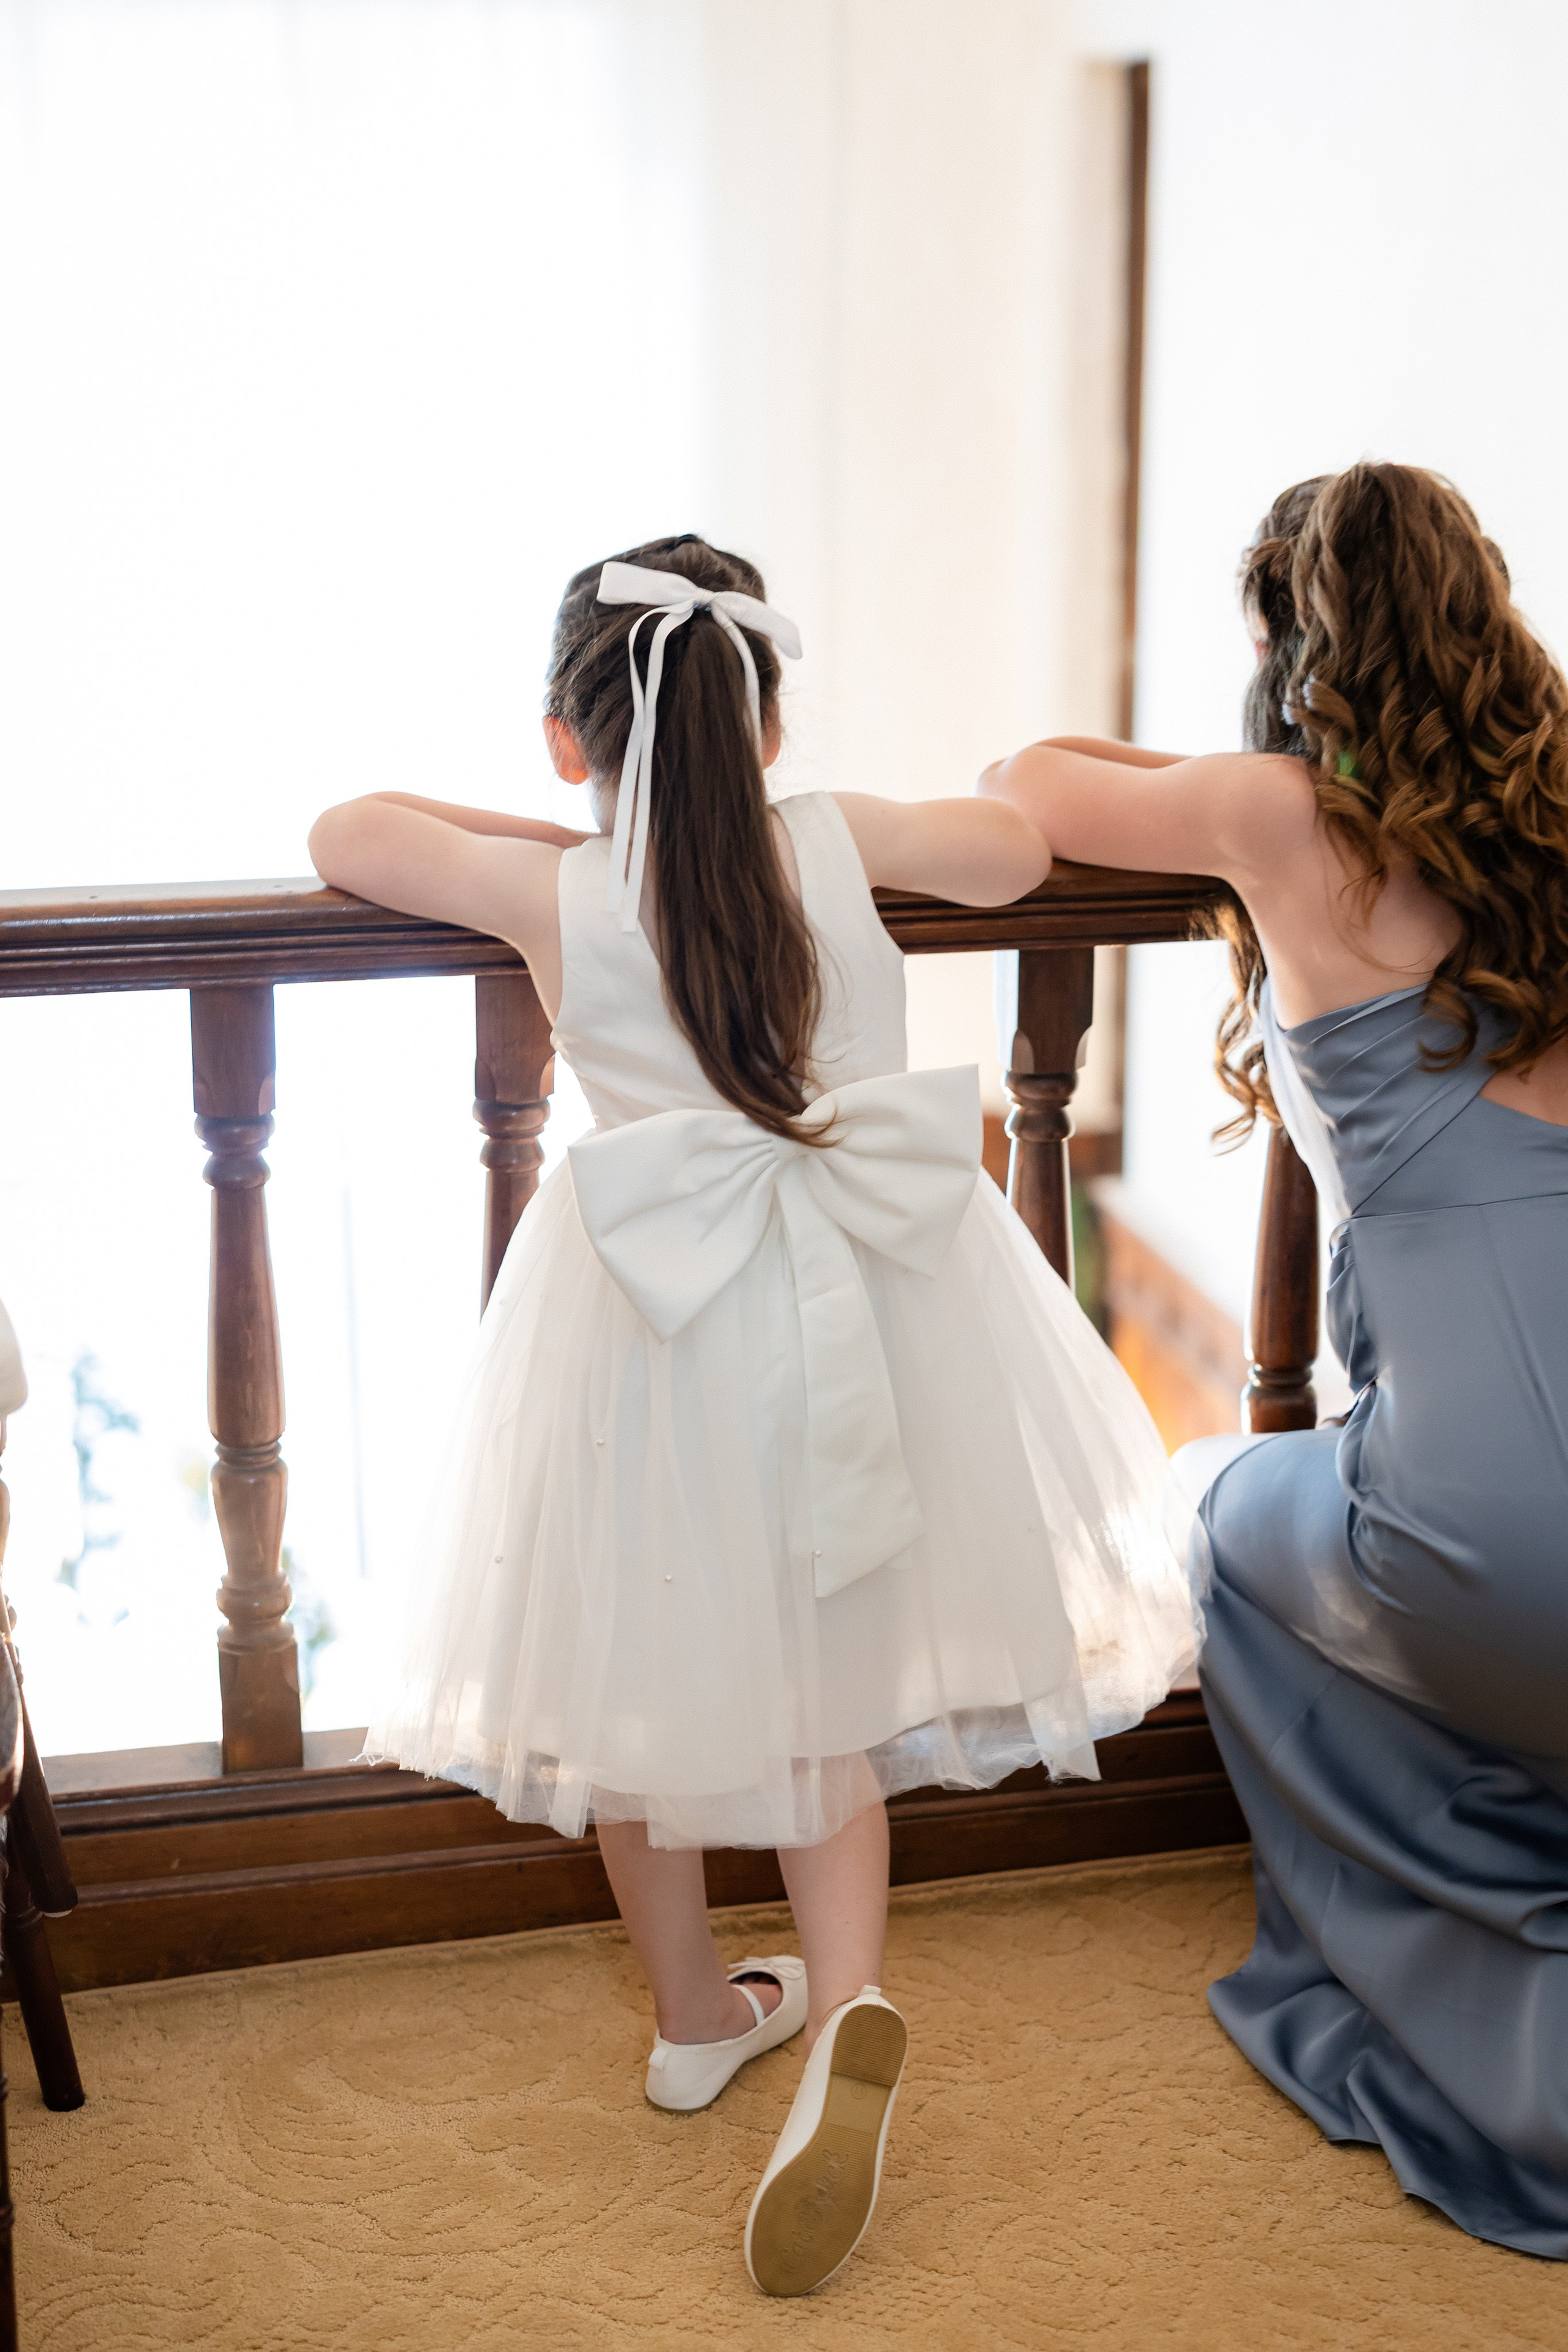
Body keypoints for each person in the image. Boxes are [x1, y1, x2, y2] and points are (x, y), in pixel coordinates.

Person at [309, 534, 1197, 2296]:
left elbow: (347, 834)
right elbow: (1016, 845)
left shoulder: (555, 891)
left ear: (576, 737)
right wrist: (766, 808)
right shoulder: (836, 836)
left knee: (645, 1669)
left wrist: (591, 835)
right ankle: (848, 2002)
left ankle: (699, 2016)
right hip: (864, 1302)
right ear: (766, 720)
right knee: (828, 1677)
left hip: (654, 1320)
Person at [982, 462, 1568, 2260]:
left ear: (1297, 636)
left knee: (1216, 1511)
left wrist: (1237, 745)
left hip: (1487, 1519)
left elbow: (1029, 788)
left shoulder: (1283, 813)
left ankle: (1482, 1951)